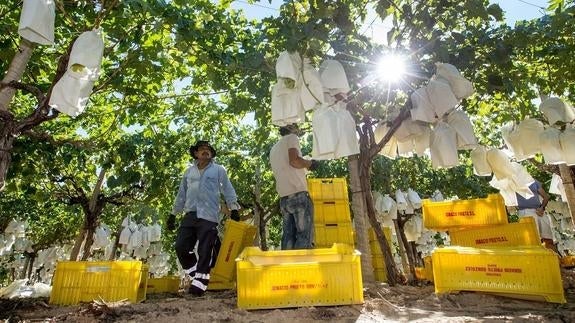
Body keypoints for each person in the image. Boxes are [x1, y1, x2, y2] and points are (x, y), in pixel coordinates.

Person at [167, 140, 241, 296]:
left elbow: (228, 189)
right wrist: (173, 214)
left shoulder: (218, 170)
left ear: (211, 154)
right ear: (196, 153)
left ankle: (199, 285)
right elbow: (181, 194)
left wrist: (233, 208)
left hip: (209, 215)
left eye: (208, 149)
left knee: (205, 250)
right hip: (190, 214)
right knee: (181, 246)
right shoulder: (189, 172)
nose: (205, 151)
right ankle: (196, 276)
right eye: (201, 149)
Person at [269, 124, 319, 250]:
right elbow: (294, 161)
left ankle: (289, 268)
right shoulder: (292, 138)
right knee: (303, 236)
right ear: (291, 127)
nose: (298, 130)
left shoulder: (274, 148)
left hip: (284, 199)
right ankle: (301, 268)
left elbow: (287, 168)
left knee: (288, 237)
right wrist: (310, 163)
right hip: (298, 195)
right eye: (296, 126)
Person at [516, 180, 558, 253]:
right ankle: (539, 260)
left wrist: (542, 208)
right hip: (525, 211)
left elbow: (546, 197)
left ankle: (555, 260)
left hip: (539, 211)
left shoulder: (533, 181)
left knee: (548, 239)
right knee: (532, 240)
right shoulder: (512, 182)